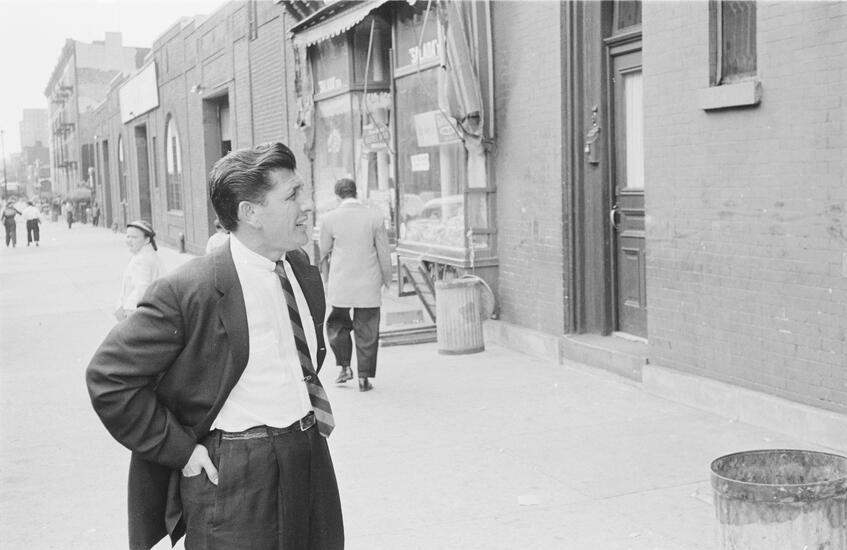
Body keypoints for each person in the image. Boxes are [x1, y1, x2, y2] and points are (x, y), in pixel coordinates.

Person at [86, 142, 343, 550]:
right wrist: (182, 451)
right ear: (250, 213)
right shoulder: (190, 289)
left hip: (309, 454)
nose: (308, 204)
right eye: (293, 195)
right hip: (238, 475)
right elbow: (108, 377)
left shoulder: (297, 267)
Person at [319, 177, 392, 392]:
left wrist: (325, 279)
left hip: (340, 282)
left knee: (337, 325)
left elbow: (323, 250)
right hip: (368, 282)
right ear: (356, 193)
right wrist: (387, 278)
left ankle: (344, 367)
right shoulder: (374, 216)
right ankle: (363, 378)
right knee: (367, 329)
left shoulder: (329, 219)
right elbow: (384, 252)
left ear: (337, 196)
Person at [114, 220, 166, 322]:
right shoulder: (148, 255)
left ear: (147, 240)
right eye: (128, 236)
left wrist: (129, 309)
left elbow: (142, 288)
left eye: (134, 237)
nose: (129, 240)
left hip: (139, 312)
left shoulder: (141, 259)